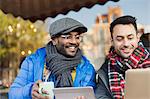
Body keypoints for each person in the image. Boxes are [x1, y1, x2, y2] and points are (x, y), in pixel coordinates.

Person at [9, 17, 96, 99]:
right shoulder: (33, 61)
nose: (74, 41)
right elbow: (13, 93)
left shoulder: (87, 69)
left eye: (77, 37)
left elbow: (92, 94)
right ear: (54, 40)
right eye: (67, 37)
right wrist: (29, 91)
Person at [95, 15, 150, 99]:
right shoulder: (104, 70)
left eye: (130, 38)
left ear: (137, 38)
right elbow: (101, 96)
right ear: (112, 42)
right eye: (119, 39)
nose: (126, 44)